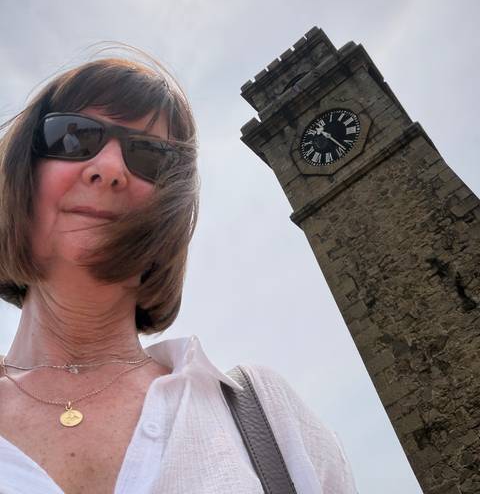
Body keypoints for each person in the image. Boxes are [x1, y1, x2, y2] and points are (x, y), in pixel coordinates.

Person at [0, 53, 358, 494]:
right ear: (22, 169)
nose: (110, 168)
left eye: (149, 156)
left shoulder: (266, 415)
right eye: (73, 136)